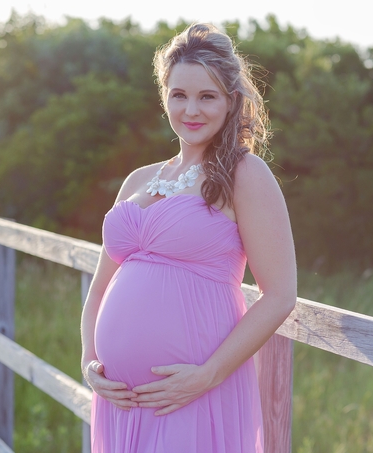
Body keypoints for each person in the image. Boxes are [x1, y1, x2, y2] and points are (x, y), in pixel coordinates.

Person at [80, 22, 296, 453]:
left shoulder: (244, 175)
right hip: (121, 402)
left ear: (232, 101)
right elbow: (100, 287)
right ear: (164, 98)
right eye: (179, 95)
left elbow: (280, 294)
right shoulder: (139, 180)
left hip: (192, 394)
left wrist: (208, 374)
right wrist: (89, 360)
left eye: (207, 96)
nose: (191, 109)